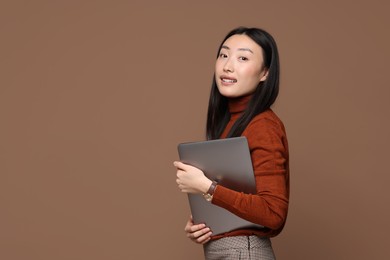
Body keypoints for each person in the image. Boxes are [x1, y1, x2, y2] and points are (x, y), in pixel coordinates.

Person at [174, 26, 289, 259]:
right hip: (229, 251)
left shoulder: (263, 125)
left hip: (243, 252)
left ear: (265, 72)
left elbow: (273, 212)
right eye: (224, 55)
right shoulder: (231, 123)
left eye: (243, 58)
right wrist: (206, 224)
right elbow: (241, 200)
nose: (228, 66)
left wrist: (207, 188)